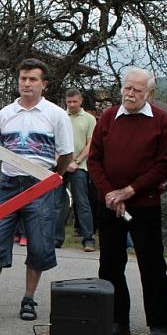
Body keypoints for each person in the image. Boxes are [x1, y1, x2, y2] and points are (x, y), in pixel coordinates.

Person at [0, 58, 73, 322]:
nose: (26, 83)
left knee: (38, 245)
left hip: (41, 185)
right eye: (23, 78)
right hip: (9, 185)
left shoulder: (56, 115)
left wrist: (52, 177)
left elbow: (67, 154)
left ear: (43, 84)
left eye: (33, 79)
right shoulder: (4, 114)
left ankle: (28, 299)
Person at [88, 68, 167, 335]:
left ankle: (158, 324)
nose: (130, 94)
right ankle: (117, 320)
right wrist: (110, 193)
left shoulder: (160, 120)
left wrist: (130, 190)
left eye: (137, 90)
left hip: (144, 203)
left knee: (152, 265)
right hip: (109, 203)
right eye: (127, 88)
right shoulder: (108, 118)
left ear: (149, 93)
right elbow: (95, 160)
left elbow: (163, 164)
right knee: (110, 264)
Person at [55, 88, 97, 251]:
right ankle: (56, 238)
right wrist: (61, 161)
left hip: (79, 166)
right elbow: (55, 141)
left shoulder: (89, 119)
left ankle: (88, 239)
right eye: (69, 102)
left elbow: (90, 143)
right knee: (57, 203)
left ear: (81, 101)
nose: (72, 105)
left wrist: (77, 161)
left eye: (75, 102)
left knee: (82, 202)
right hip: (60, 165)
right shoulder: (60, 116)